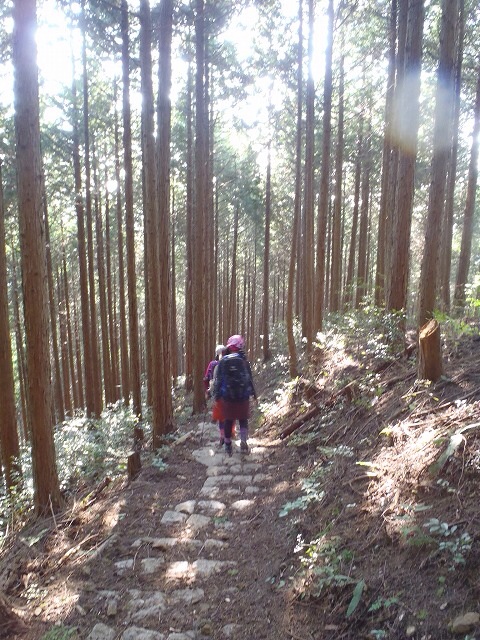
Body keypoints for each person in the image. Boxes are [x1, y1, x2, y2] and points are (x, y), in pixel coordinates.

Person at [213, 334, 257, 456]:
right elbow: (250, 379)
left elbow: (218, 380)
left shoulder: (223, 361)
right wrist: (254, 394)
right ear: (240, 346)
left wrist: (216, 396)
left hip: (227, 397)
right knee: (243, 420)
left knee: (228, 420)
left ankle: (228, 445)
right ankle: (243, 442)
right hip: (243, 396)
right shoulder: (244, 361)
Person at [204, 345, 226, 446]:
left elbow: (206, 377)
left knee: (221, 415)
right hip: (229, 392)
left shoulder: (212, 364)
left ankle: (222, 435)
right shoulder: (228, 363)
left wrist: (207, 390)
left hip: (216, 391)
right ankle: (230, 434)